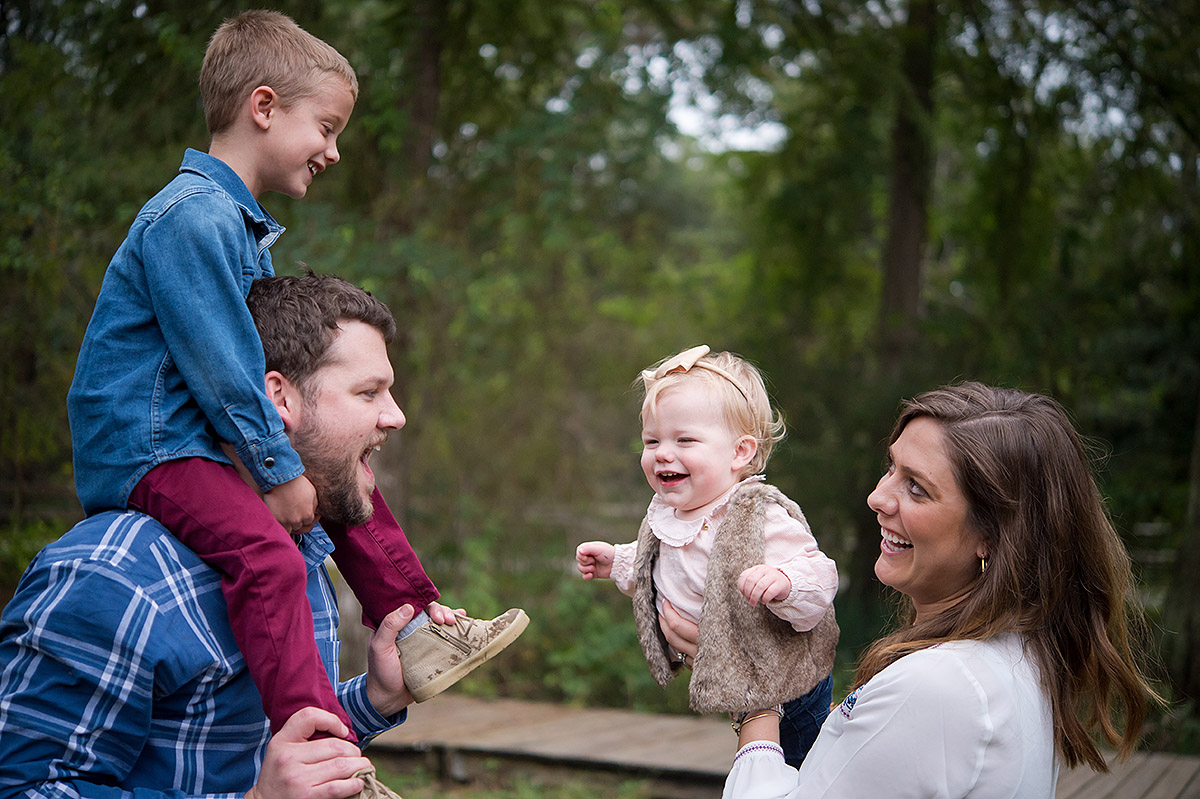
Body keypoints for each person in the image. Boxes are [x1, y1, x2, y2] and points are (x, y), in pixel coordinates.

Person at [64, 9, 526, 743]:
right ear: (264, 107)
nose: (334, 151)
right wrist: (276, 468)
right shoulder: (192, 219)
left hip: (201, 439)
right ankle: (313, 742)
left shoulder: (235, 223)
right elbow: (222, 364)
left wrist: (299, 461)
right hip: (152, 450)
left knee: (343, 480)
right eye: (327, 128)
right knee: (268, 558)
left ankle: (418, 627)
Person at [0, 273, 441, 798]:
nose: (396, 416)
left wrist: (374, 699)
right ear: (278, 398)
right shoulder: (114, 576)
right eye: (368, 392)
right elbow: (23, 788)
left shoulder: (300, 549)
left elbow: (252, 751)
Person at [659, 381, 1159, 799]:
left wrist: (754, 692)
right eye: (891, 467)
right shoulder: (1016, 652)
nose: (877, 497)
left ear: (993, 535)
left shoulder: (938, 688)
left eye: (916, 487)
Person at [576, 345, 839, 767]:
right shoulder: (670, 514)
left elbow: (819, 577)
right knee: (755, 769)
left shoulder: (757, 515)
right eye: (652, 441)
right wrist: (618, 563)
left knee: (801, 771)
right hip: (737, 683)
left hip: (791, 691)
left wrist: (785, 583)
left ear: (740, 452)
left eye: (685, 440)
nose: (663, 453)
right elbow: (663, 566)